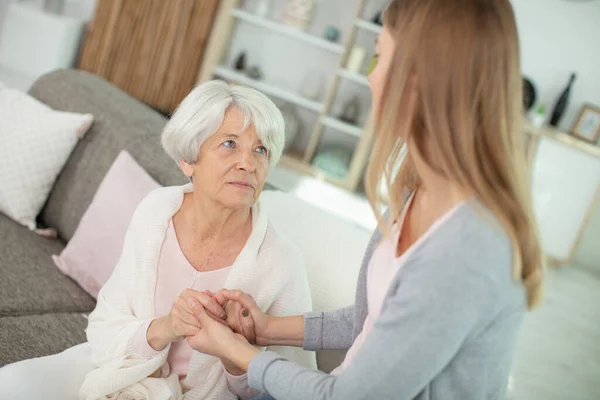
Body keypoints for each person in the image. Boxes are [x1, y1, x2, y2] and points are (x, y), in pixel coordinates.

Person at [182, 0, 545, 399]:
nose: (369, 77)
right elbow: (369, 320)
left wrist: (239, 352)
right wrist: (269, 327)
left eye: (377, 57)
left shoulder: (468, 253)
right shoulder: (416, 189)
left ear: (418, 79)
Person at [0, 81, 316, 399]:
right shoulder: (158, 210)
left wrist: (234, 356)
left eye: (260, 149)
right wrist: (167, 326)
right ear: (188, 159)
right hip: (120, 371)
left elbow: (290, 390)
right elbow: (106, 325)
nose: (248, 163)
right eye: (230, 144)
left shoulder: (280, 263)